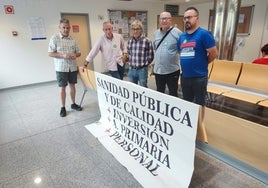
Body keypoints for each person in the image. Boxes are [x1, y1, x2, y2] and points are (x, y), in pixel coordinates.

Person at [177, 7, 218, 124]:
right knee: (187, 103)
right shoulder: (182, 37)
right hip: (185, 77)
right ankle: (189, 125)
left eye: (189, 17)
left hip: (199, 77)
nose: (186, 20)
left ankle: (200, 126)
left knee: (200, 103)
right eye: (185, 18)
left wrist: (203, 63)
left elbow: (214, 53)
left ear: (197, 18)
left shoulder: (204, 34)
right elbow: (182, 53)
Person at [48, 18, 82, 117]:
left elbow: (79, 52)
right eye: (63, 27)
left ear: (70, 28)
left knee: (72, 86)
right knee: (62, 88)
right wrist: (63, 55)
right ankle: (63, 107)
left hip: (72, 67)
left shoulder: (73, 40)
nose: (66, 30)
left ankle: (73, 104)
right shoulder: (54, 38)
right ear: (59, 28)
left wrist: (76, 55)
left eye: (67, 28)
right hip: (61, 68)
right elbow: (50, 53)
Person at [153, 11, 182, 97]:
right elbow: (155, 48)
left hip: (172, 71)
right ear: (159, 20)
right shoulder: (156, 33)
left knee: (173, 94)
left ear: (171, 20)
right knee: (160, 93)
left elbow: (182, 50)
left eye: (166, 18)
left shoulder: (178, 33)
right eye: (162, 19)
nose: (164, 21)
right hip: (158, 71)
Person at [127, 20, 154, 87]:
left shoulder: (147, 41)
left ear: (141, 30)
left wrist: (144, 65)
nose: (135, 31)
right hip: (132, 69)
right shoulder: (130, 41)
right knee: (132, 89)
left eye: (137, 29)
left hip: (142, 70)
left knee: (143, 89)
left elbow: (151, 56)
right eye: (133, 29)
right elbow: (129, 54)